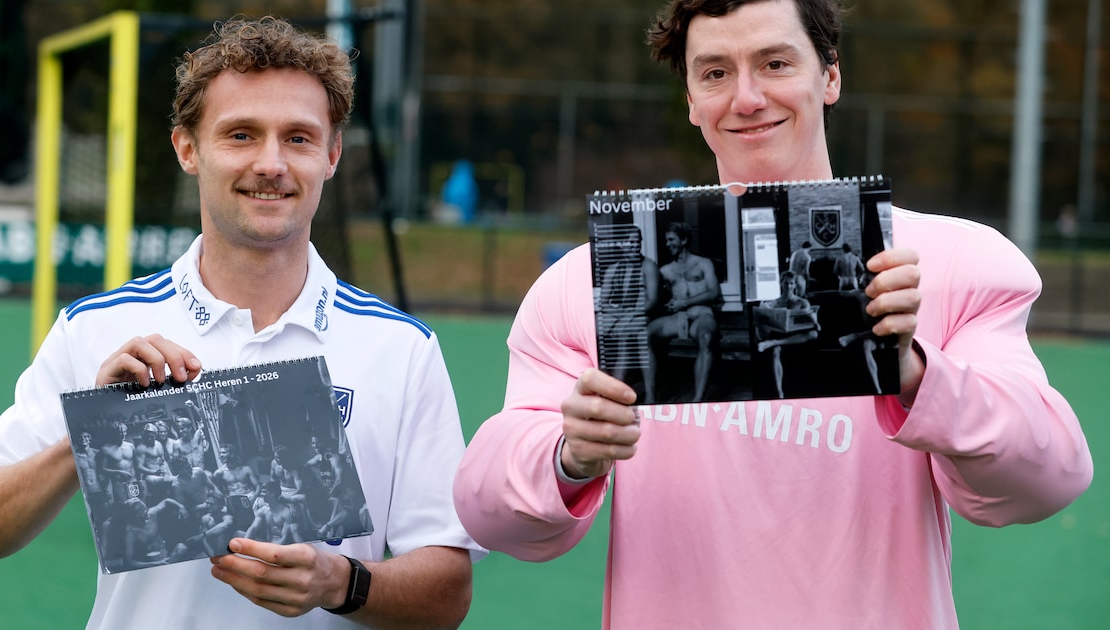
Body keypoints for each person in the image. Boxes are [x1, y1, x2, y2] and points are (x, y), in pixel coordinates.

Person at [452, 1, 1092, 628]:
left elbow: (1048, 477)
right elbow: (486, 510)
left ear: (830, 76)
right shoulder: (592, 282)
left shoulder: (954, 262)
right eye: (715, 73)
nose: (747, 97)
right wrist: (566, 458)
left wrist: (918, 372)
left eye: (776, 62)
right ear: (691, 101)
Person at [0, 16, 482, 628]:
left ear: (332, 155)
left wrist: (341, 582)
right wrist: (88, 435)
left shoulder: (401, 350)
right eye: (242, 135)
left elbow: (447, 592)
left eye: (298, 138)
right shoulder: (94, 327)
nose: (271, 163)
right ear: (187, 149)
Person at [647, 221, 721, 401]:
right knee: (643, 335)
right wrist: (666, 305)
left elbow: (713, 292)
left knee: (706, 339)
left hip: (702, 315)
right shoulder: (665, 270)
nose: (667, 244)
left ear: (684, 240)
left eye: (671, 239)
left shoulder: (704, 263)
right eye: (666, 240)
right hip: (678, 319)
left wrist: (685, 302)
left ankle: (697, 399)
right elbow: (654, 295)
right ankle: (650, 397)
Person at [596, 225, 660, 403]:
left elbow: (653, 300)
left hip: (642, 313)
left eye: (637, 242)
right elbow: (603, 302)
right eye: (630, 242)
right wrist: (621, 315)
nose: (634, 246)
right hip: (622, 313)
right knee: (592, 332)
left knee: (630, 337)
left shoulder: (648, 266)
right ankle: (606, 388)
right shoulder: (613, 269)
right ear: (621, 244)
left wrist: (630, 315)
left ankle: (649, 395)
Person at [755, 269, 820, 398]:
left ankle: (773, 343)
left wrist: (814, 319)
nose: (789, 287)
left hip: (797, 336)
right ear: (781, 284)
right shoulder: (774, 303)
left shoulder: (802, 302)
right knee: (775, 351)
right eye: (786, 284)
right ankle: (780, 393)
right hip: (780, 334)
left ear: (795, 285)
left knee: (814, 334)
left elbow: (817, 328)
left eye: (791, 283)